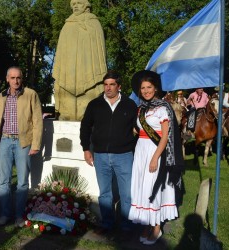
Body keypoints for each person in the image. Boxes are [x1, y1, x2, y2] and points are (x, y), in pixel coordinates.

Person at [128, 70, 184, 245]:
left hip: (155, 151)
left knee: (153, 187)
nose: (145, 91)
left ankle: (157, 227)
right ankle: (147, 222)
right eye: (143, 88)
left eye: (149, 87)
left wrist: (155, 158)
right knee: (142, 187)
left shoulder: (162, 107)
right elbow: (139, 130)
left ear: (156, 88)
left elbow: (166, 136)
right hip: (141, 151)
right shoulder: (141, 109)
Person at [80, 70, 137, 237]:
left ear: (119, 86)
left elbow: (139, 128)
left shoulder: (130, 105)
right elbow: (85, 127)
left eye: (112, 84)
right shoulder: (95, 104)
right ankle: (107, 224)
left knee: (126, 194)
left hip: (124, 155)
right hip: (101, 156)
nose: (108, 88)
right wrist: (86, 148)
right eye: (106, 85)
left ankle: (126, 226)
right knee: (105, 193)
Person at [0, 67, 43, 227]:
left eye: (19, 78)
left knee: (22, 181)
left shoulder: (31, 94)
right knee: (4, 181)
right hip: (5, 141)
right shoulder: (1, 96)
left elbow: (38, 121)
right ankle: (5, 214)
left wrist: (35, 144)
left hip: (24, 142)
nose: (16, 81)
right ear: (7, 79)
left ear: (22, 79)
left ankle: (19, 216)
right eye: (13, 78)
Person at [52, 0, 107, 121]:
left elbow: (98, 47)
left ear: (86, 5)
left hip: (88, 66)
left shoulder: (94, 23)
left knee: (89, 93)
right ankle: (66, 112)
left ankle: (86, 113)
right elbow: (61, 49)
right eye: (74, 4)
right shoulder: (68, 24)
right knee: (66, 91)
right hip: (69, 68)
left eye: (79, 3)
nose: (76, 6)